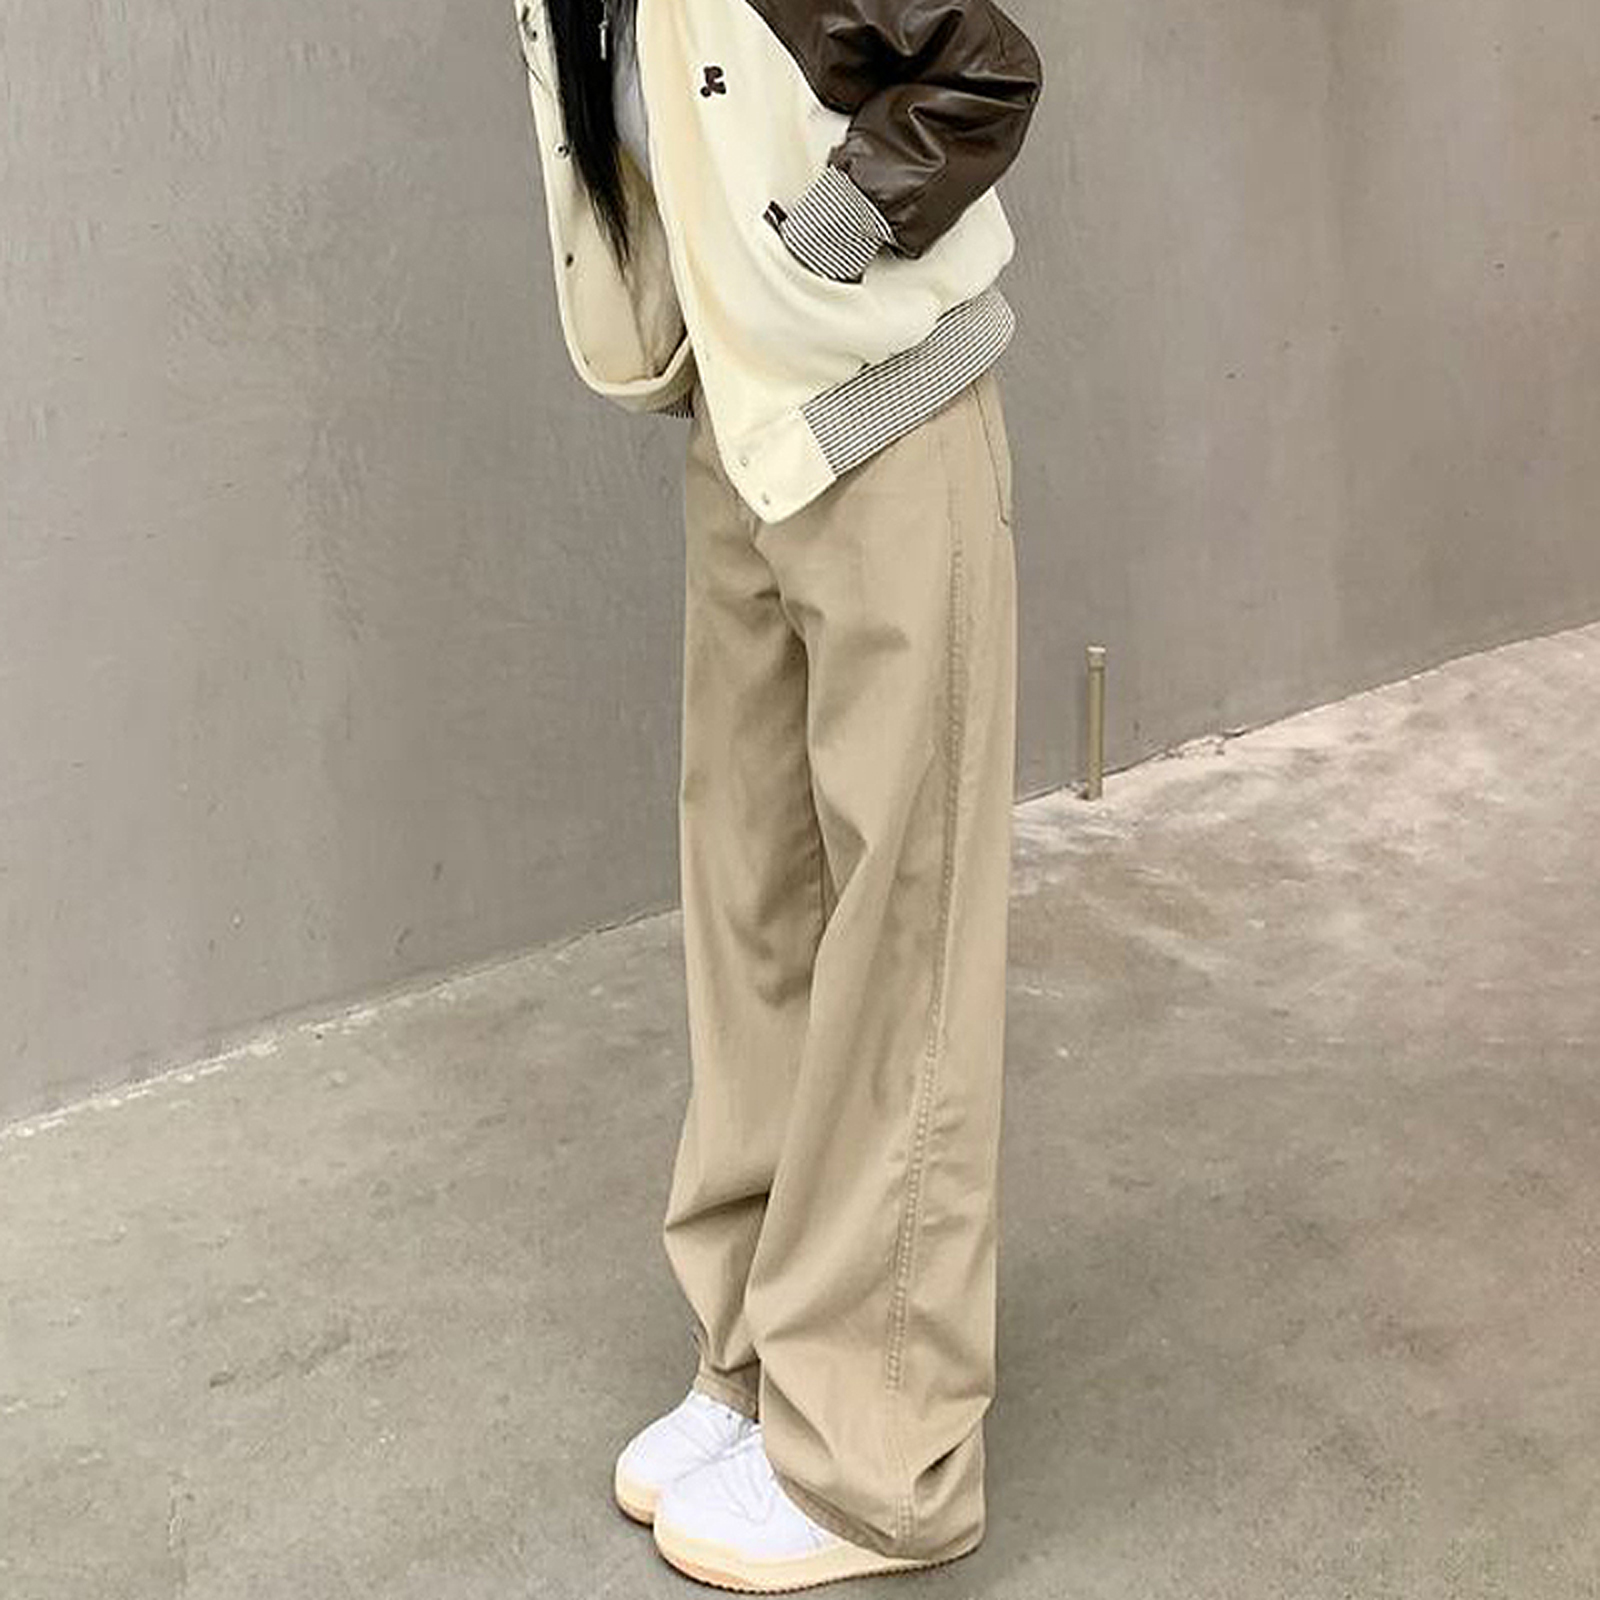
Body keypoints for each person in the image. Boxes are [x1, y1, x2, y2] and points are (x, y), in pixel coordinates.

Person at [515, 0, 1043, 1586]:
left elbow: (982, 66)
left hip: (888, 426)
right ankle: (755, 1360)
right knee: (754, 907)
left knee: (899, 934)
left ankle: (879, 1462)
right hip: (743, 443)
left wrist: (823, 247)